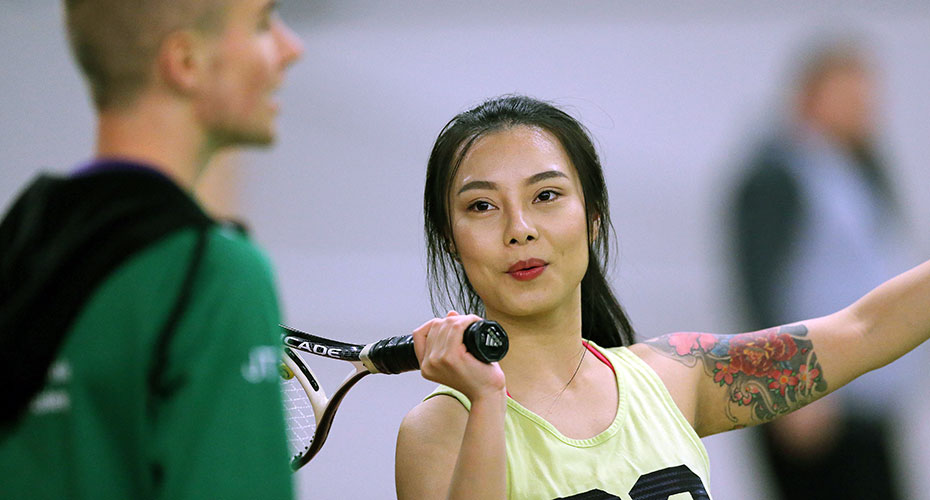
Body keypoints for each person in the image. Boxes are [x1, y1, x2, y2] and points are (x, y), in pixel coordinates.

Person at [394, 94, 930, 500]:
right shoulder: (439, 431)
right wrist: (488, 400)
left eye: (547, 195)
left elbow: (865, 329)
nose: (520, 228)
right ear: (450, 238)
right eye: (482, 207)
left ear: (594, 217)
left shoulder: (675, 376)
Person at [0, 1, 303, 499]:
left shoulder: (20, 245)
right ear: (186, 63)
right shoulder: (215, 274)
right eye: (262, 24)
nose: (292, 49)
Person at [730, 39, 912, 499]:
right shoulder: (777, 175)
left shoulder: (858, 168)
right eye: (850, 97)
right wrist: (788, 388)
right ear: (809, 96)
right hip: (815, 394)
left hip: (865, 395)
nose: (864, 109)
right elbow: (760, 284)